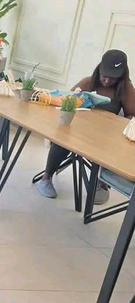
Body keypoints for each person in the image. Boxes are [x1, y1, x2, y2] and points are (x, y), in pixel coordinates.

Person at [36, 49, 135, 200]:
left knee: (111, 146)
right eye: (104, 76)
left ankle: (101, 183)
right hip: (77, 130)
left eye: (112, 78)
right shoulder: (88, 82)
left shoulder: (126, 90)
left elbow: (132, 115)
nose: (107, 81)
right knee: (63, 139)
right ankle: (46, 177)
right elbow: (66, 101)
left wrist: (118, 123)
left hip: (104, 136)